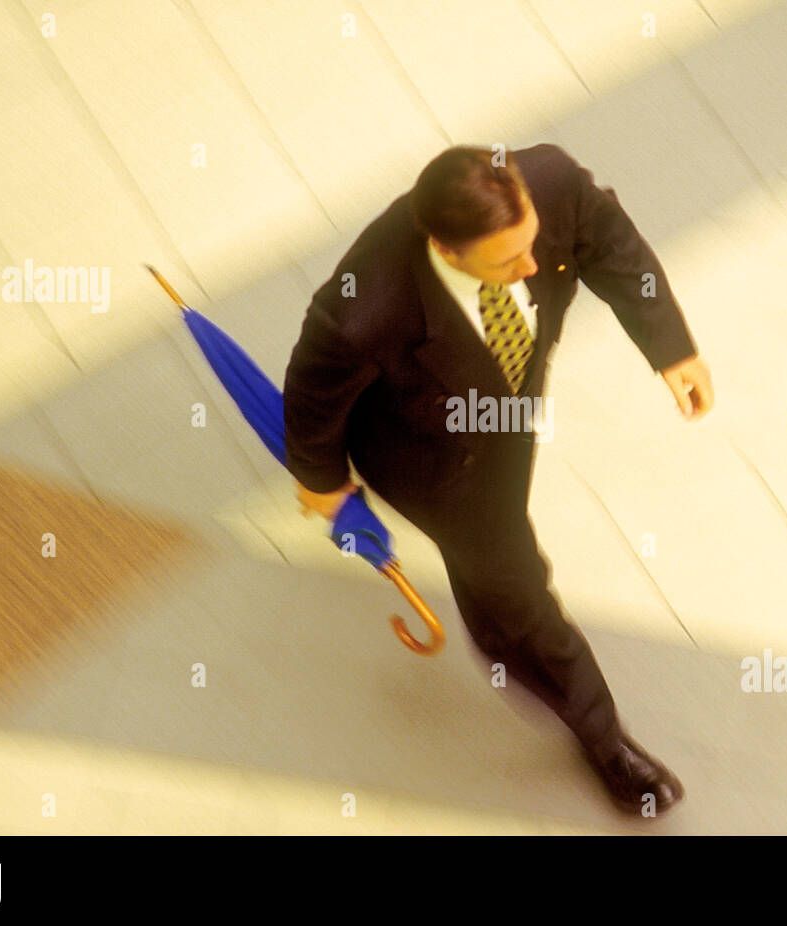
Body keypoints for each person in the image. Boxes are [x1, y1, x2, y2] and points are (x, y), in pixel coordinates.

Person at [283, 143, 713, 817]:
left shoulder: (547, 183)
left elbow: (611, 244)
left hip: (507, 405)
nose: (533, 267)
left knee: (497, 566)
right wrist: (321, 479)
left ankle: (494, 607)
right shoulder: (360, 311)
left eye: (533, 245)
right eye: (508, 262)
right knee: (517, 586)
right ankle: (601, 735)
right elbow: (310, 394)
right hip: (432, 456)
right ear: (448, 253)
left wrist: (671, 346)